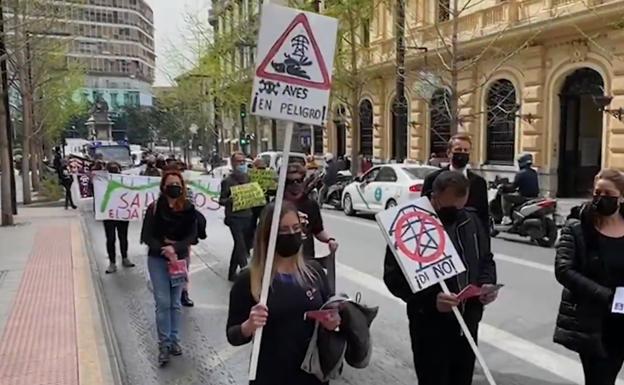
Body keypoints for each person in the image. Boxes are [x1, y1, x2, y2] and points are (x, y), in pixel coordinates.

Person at [384, 171, 497, 385]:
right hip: (429, 326)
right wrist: (430, 300)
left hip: (467, 321)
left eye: (459, 206)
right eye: (447, 207)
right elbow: (393, 278)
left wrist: (487, 283)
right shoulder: (409, 224)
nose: (454, 213)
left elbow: (486, 259)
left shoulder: (472, 221)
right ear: (434, 196)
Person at [226, 201, 340, 385]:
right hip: (271, 376)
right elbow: (233, 335)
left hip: (312, 375)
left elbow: (330, 314)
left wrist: (333, 321)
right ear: (268, 236)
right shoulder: (250, 279)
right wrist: (249, 326)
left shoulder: (314, 272)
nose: (292, 234)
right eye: (284, 230)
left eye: (296, 228)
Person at [554, 168, 624, 385]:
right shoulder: (578, 226)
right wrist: (604, 295)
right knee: (599, 379)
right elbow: (564, 270)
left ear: (621, 197)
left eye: (608, 195)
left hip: (622, 318)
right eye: (597, 193)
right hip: (592, 320)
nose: (601, 199)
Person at [140, 169, 197, 366]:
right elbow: (146, 236)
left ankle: (174, 340)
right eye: (170, 184)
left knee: (175, 303)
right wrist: (165, 249)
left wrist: (175, 248)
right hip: (158, 260)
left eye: (177, 184)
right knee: (162, 302)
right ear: (163, 187)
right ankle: (163, 344)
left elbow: (192, 236)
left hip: (179, 262)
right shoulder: (154, 208)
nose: (174, 187)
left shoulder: (188, 208)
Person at [422, 134, 489, 228]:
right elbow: (424, 213)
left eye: (466, 150)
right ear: (449, 153)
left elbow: (483, 218)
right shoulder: (432, 179)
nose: (462, 153)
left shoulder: (479, 183)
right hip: (442, 235)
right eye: (458, 150)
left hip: (469, 237)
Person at [284, 163, 338, 259]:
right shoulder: (275, 206)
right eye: (291, 181)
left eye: (299, 180)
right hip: (283, 261)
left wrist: (329, 240)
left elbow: (318, 230)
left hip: (307, 258)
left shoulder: (311, 205)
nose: (296, 184)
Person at [220, 152, 255, 281]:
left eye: (243, 161)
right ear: (233, 163)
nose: (241, 164)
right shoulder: (227, 181)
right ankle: (246, 273)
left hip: (247, 216)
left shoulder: (248, 178)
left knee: (241, 245)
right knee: (240, 244)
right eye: (238, 161)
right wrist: (230, 199)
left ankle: (231, 272)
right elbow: (221, 200)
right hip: (234, 218)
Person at [103, 162, 135, 273]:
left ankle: (125, 257)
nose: (114, 172)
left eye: (116, 170)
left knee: (123, 237)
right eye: (112, 170)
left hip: (122, 213)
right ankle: (112, 262)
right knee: (111, 239)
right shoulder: (102, 182)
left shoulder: (124, 180)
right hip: (109, 215)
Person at [501, 153, 540, 225]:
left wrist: (504, 187)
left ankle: (506, 217)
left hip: (524, 197)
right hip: (534, 197)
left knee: (505, 197)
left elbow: (513, 187)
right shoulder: (534, 172)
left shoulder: (520, 173)